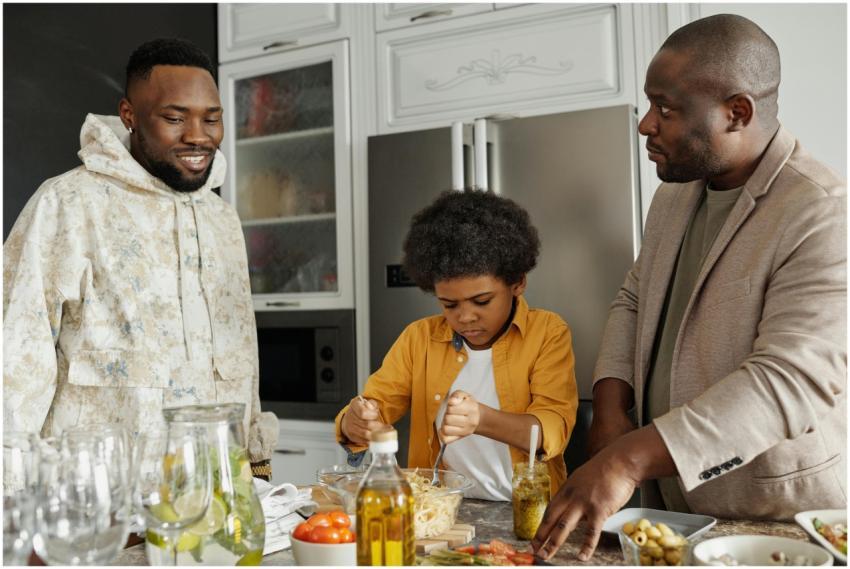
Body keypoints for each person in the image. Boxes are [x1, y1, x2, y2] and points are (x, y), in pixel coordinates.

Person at [532, 14, 846, 561]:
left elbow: (789, 380)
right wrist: (610, 412)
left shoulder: (821, 211)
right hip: (667, 505)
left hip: (769, 519)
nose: (646, 124)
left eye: (666, 108)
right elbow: (635, 298)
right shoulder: (676, 193)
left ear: (737, 112)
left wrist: (627, 459)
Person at [3, 38, 278, 479]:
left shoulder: (221, 219)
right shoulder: (68, 204)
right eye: (174, 118)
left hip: (212, 493)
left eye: (212, 119)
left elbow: (241, 357)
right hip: (97, 497)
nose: (197, 136)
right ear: (129, 115)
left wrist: (255, 467)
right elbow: (15, 356)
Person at [335, 190, 578, 499]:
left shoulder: (547, 333)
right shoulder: (418, 338)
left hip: (527, 511)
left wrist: (482, 419)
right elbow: (375, 405)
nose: (465, 317)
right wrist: (355, 422)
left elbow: (553, 430)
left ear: (517, 282)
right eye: (449, 305)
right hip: (444, 509)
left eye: (481, 301)